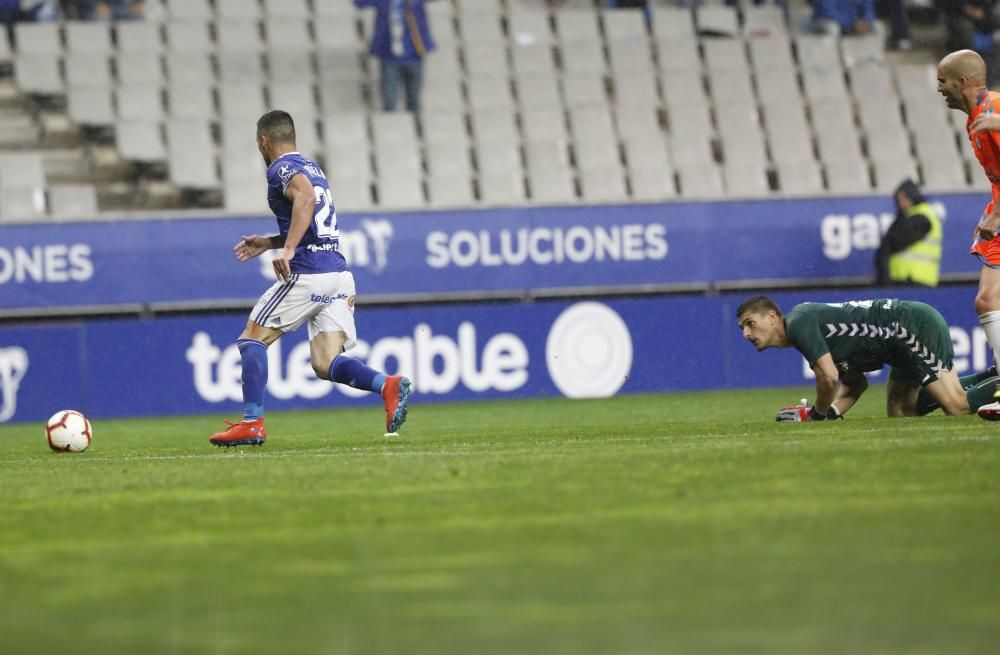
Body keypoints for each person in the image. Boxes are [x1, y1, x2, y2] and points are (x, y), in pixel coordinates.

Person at [208, 110, 412, 447]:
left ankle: (252, 423)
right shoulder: (311, 167)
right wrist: (270, 241)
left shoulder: (280, 168)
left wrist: (286, 250)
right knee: (324, 362)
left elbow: (306, 199)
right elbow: (311, 215)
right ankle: (387, 386)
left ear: (263, 141)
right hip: (337, 275)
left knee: (252, 339)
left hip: (309, 274)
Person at [736, 296, 999, 420]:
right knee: (901, 412)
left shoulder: (799, 322)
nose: (747, 333)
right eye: (742, 328)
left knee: (956, 406)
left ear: (772, 317)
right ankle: (988, 377)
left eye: (750, 323)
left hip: (907, 327)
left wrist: (815, 415)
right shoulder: (804, 329)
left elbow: (828, 378)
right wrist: (832, 413)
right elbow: (854, 384)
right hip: (899, 339)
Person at [937, 48, 1000, 417]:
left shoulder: (992, 111)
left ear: (962, 82)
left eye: (942, 80)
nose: (939, 88)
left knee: (989, 301)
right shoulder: (978, 117)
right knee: (987, 301)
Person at [354, 0, 436, 114]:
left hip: (414, 54)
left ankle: (415, 128)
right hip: (389, 57)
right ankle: (391, 129)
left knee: (414, 102)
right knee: (389, 102)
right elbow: (359, 3)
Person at [874, 179, 942, 288]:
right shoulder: (926, 214)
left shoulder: (920, 218)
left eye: (903, 198)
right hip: (918, 281)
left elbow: (891, 242)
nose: (901, 204)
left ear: (912, 196)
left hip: (912, 280)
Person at [810, 0, 877, 35]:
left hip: (854, 23)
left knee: (877, 27)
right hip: (823, 21)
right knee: (833, 28)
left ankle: (871, 56)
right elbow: (828, 13)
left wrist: (866, 21)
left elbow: (869, 9)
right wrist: (852, 23)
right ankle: (833, 58)